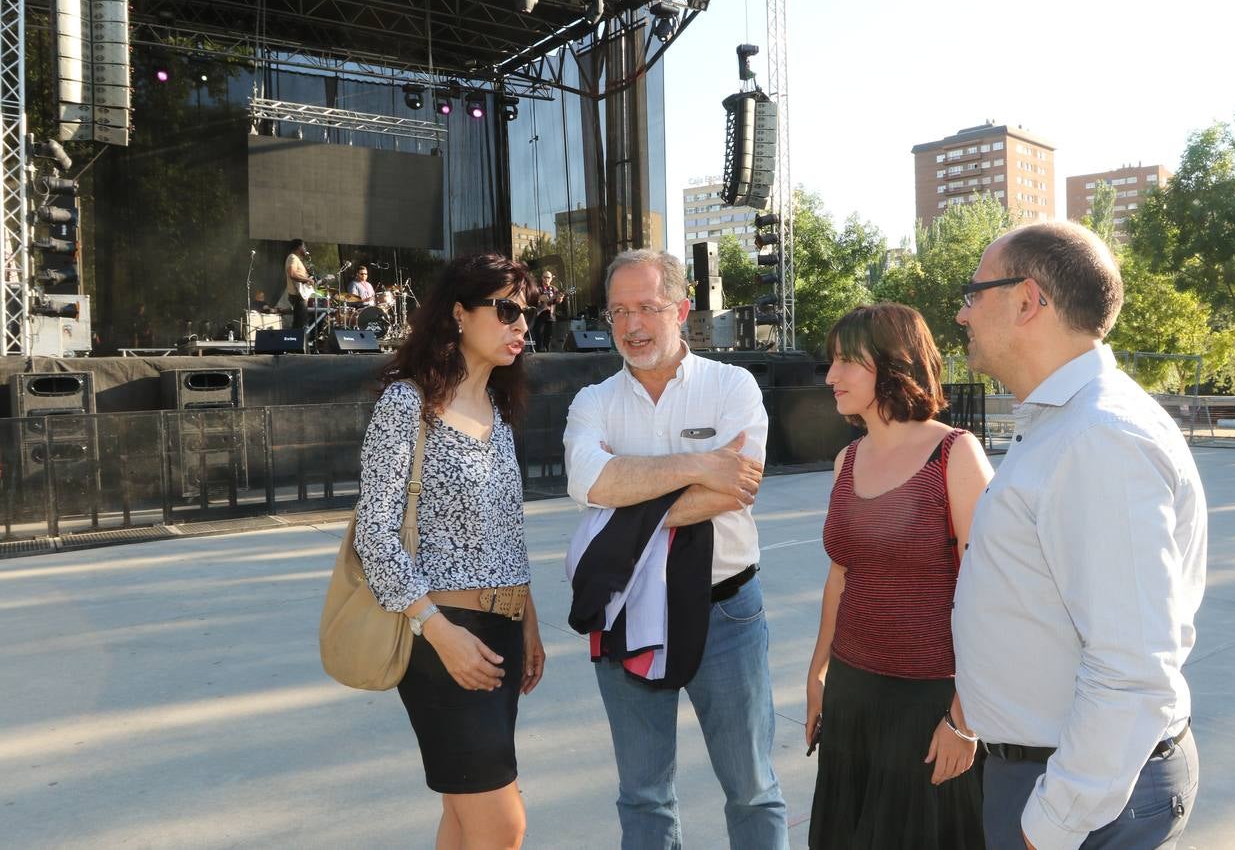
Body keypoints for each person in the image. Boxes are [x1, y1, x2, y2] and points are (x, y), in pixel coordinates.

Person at [951, 221, 1206, 850]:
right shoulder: (1068, 424)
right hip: (1061, 776)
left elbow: (1133, 665)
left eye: (973, 292)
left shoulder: (1098, 437)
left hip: (1083, 795)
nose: (961, 314)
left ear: (1028, 300)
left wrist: (1053, 824)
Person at [563, 248, 788, 850]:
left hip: (727, 613)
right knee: (643, 796)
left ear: (682, 310)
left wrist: (627, 498)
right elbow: (589, 484)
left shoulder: (731, 385)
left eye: (647, 308)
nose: (631, 326)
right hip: (625, 611)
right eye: (617, 312)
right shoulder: (594, 402)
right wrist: (698, 465)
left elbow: (738, 488)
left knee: (752, 789)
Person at [353, 252, 545, 850]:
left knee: (464, 820)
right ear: (459, 314)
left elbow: (507, 532)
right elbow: (375, 536)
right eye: (508, 309)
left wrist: (528, 621)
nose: (522, 325)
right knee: (501, 824)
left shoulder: (501, 416)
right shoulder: (407, 405)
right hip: (443, 639)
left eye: (528, 313)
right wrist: (436, 629)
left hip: (503, 633)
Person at [806, 303, 993, 850]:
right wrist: (818, 675)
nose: (831, 376)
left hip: (931, 704)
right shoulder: (847, 460)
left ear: (893, 364)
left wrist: (965, 719)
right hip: (852, 694)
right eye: (831, 362)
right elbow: (841, 577)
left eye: (847, 362)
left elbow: (991, 596)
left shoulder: (955, 455)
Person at [284, 239, 316, 347]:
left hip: (301, 296)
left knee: (301, 323)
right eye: (304, 246)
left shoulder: (297, 259)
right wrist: (308, 280)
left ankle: (298, 347)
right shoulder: (292, 257)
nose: (305, 249)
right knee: (299, 325)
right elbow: (292, 274)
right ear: (299, 247)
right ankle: (294, 347)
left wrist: (309, 278)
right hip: (297, 296)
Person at [530, 270, 565, 352]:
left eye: (548, 277)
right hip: (539, 314)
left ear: (551, 279)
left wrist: (560, 299)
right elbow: (531, 299)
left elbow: (556, 301)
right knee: (538, 333)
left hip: (550, 315)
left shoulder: (554, 289)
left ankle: (547, 350)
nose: (546, 279)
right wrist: (538, 298)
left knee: (548, 335)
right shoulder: (537, 289)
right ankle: (538, 350)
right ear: (542, 278)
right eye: (545, 277)